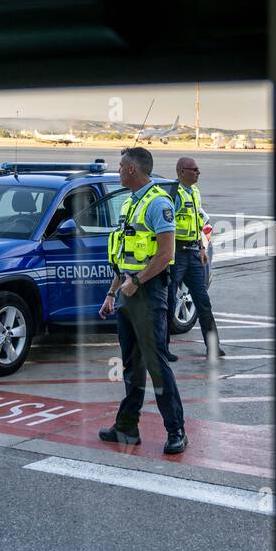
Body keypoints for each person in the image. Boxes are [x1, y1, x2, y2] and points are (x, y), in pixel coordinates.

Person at [98, 147, 188, 455]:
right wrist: (112, 293)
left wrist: (136, 282)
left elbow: (166, 254)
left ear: (133, 171)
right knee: (131, 364)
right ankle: (127, 427)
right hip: (128, 292)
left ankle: (177, 430)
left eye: (121, 167)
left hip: (148, 293)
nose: (118, 170)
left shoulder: (157, 203)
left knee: (156, 363)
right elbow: (124, 258)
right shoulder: (129, 204)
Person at [161, 156, 228, 362]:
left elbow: (197, 222)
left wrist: (201, 248)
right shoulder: (174, 194)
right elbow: (166, 226)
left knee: (202, 301)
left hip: (192, 253)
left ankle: (213, 346)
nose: (198, 173)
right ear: (182, 171)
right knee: (170, 302)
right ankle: (163, 348)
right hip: (177, 253)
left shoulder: (194, 192)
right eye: (194, 169)